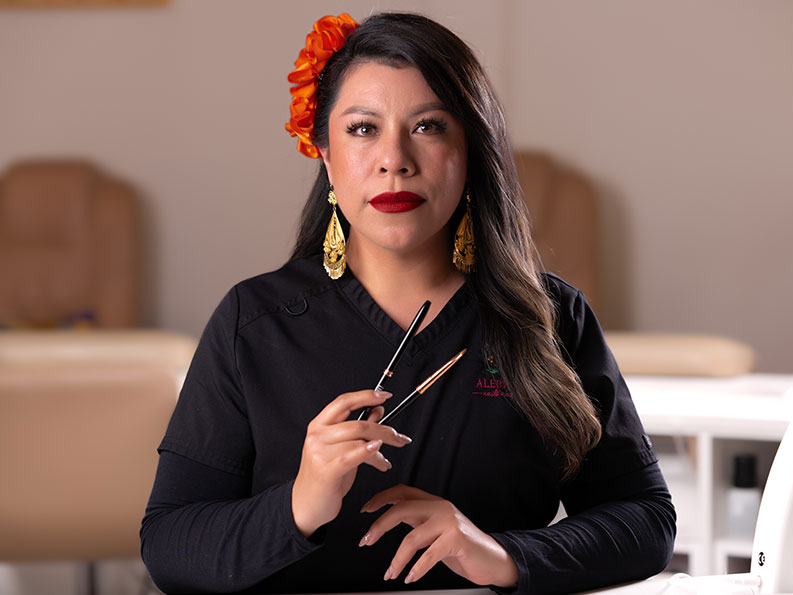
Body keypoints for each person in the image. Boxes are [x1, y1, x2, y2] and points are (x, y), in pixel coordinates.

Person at [140, 12, 676, 595]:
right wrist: (298, 504)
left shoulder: (550, 318)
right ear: (324, 154)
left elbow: (645, 520)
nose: (394, 158)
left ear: (470, 150)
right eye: (363, 129)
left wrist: (502, 553)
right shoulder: (255, 322)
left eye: (428, 126)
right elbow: (169, 545)